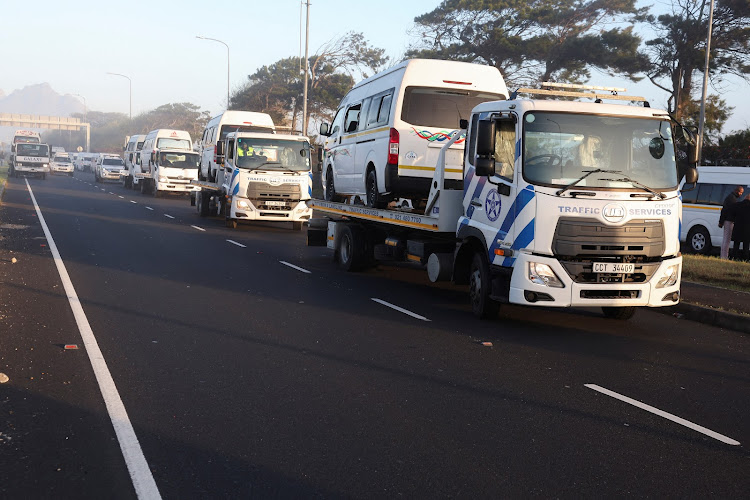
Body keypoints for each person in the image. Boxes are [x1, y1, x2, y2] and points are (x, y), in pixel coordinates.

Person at [719, 185, 744, 259]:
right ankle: (724, 257)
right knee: (727, 240)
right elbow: (725, 211)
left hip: (727, 220)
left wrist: (721, 221)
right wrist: (721, 221)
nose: (741, 194)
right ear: (736, 191)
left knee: (725, 240)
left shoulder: (730, 197)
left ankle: (723, 256)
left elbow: (724, 210)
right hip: (729, 221)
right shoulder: (732, 199)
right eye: (740, 192)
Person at [731, 194, 750, 261]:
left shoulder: (737, 205)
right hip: (747, 229)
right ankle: (746, 258)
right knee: (746, 245)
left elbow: (732, 215)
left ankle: (734, 257)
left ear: (745, 198)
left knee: (736, 244)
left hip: (738, 227)